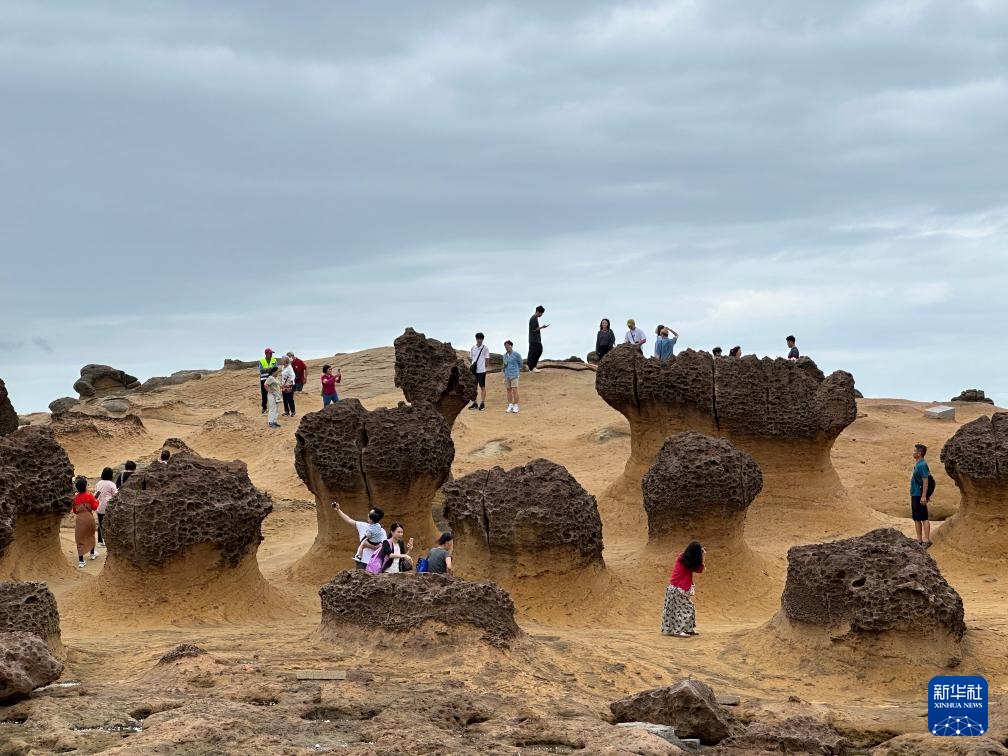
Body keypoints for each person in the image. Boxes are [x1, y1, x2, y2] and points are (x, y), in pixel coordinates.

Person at [661, 541, 706, 637]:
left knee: (687, 609)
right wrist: (701, 556)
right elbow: (698, 568)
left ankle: (687, 629)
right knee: (684, 610)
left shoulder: (685, 559)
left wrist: (702, 556)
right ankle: (679, 631)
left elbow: (699, 570)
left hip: (678, 589)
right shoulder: (683, 560)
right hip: (677, 589)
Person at [332, 502, 387, 569]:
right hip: (361, 562)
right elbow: (348, 520)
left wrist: (366, 545)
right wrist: (338, 510)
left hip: (374, 563)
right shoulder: (363, 525)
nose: (368, 515)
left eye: (370, 513)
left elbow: (382, 547)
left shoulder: (382, 531)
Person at [72, 476, 99, 567]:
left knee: (80, 539)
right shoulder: (90, 495)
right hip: (89, 518)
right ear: (85, 486)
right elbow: (94, 507)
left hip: (80, 520)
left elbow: (75, 511)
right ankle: (92, 554)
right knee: (91, 535)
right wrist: (96, 500)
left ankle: (81, 561)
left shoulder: (75, 498)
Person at [910, 443, 932, 545]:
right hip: (915, 494)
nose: (913, 453)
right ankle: (919, 540)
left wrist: (924, 496)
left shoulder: (922, 465)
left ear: (919, 453)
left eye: (915, 451)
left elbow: (925, 481)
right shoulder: (918, 464)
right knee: (916, 518)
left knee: (924, 517)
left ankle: (926, 540)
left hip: (919, 495)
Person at [94, 467, 118, 548]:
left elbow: (96, 495)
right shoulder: (111, 484)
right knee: (109, 524)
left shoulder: (98, 483)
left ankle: (100, 541)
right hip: (109, 507)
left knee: (100, 524)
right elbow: (116, 495)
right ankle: (109, 540)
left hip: (99, 507)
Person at [468, 333, 489, 411]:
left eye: (480, 338)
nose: (479, 340)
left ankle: (482, 403)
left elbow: (487, 359)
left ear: (482, 339)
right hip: (474, 371)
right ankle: (475, 403)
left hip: (482, 371)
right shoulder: (473, 348)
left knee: (482, 386)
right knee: (473, 387)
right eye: (478, 338)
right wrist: (473, 366)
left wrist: (484, 367)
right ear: (476, 339)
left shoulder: (485, 348)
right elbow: (471, 358)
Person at [502, 340, 523, 413]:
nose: (506, 347)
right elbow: (504, 365)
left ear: (511, 346)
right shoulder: (504, 356)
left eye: (508, 346)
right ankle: (510, 405)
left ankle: (516, 405)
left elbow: (521, 364)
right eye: (505, 346)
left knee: (514, 390)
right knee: (508, 390)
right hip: (507, 375)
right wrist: (504, 374)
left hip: (514, 375)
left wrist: (516, 370)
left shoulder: (516, 354)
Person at [527, 305, 548, 372]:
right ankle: (531, 367)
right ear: (538, 312)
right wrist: (542, 327)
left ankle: (533, 367)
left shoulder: (535, 318)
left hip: (536, 340)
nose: (541, 315)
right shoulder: (533, 318)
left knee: (538, 351)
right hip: (534, 340)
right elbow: (534, 329)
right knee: (533, 353)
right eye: (541, 313)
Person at [258, 348, 278, 414]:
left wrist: (266, 369)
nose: (271, 354)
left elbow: (276, 369)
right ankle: (264, 408)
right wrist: (270, 369)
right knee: (264, 394)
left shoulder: (274, 360)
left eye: (272, 353)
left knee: (273, 393)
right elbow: (261, 370)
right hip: (263, 379)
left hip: (272, 379)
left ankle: (273, 408)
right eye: (270, 353)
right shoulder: (261, 361)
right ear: (266, 353)